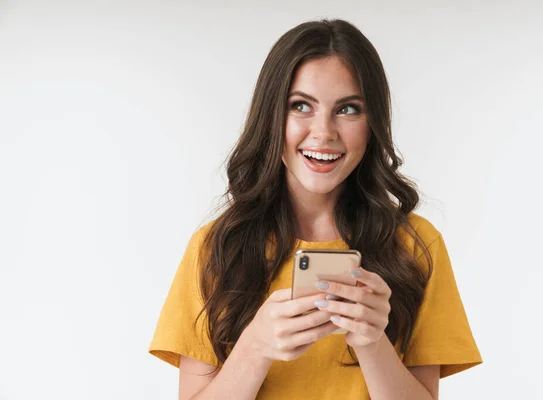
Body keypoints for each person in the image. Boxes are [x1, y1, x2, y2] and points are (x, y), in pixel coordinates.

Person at [149, 18, 482, 400]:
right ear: (271, 116)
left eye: (348, 109)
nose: (324, 132)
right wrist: (254, 348)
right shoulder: (216, 248)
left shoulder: (415, 245)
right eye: (301, 105)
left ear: (373, 123)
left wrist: (373, 345)